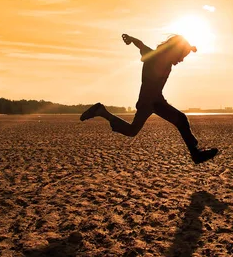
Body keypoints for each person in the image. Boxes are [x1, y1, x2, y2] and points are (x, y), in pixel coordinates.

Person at [80, 33, 219, 164]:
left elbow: (141, 45)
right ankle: (195, 153)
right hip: (151, 101)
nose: (181, 60)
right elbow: (141, 45)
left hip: (153, 100)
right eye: (181, 56)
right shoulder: (155, 56)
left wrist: (190, 48)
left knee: (132, 130)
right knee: (181, 119)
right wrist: (131, 39)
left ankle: (102, 111)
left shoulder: (158, 56)